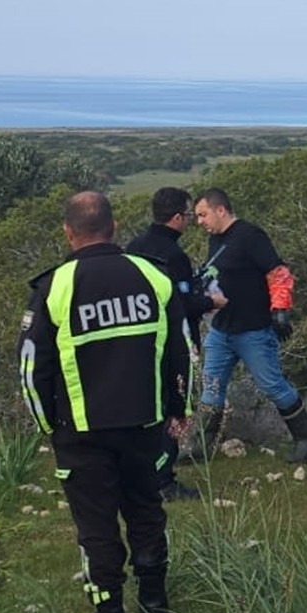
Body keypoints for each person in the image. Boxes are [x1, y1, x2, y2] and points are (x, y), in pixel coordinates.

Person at [17, 191, 191, 613]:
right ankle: (155, 602)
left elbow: (32, 368)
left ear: (68, 232)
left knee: (96, 525)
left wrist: (46, 425)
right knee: (146, 510)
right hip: (144, 422)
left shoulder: (54, 287)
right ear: (114, 228)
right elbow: (181, 349)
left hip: (81, 430)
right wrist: (180, 407)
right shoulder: (153, 275)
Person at [191, 187, 307, 463]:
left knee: (272, 385)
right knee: (211, 387)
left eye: (203, 215)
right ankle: (202, 446)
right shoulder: (216, 239)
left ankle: (305, 439)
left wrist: (280, 310)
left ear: (220, 210)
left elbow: (278, 272)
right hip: (221, 329)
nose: (199, 221)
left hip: (253, 330)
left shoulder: (250, 235)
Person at [126, 187, 227, 500]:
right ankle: (164, 481)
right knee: (174, 408)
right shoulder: (174, 256)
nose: (191, 221)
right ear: (176, 218)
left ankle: (141, 473)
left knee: (145, 410)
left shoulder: (133, 247)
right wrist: (211, 301)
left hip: (137, 343)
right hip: (172, 345)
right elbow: (181, 305)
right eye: (188, 215)